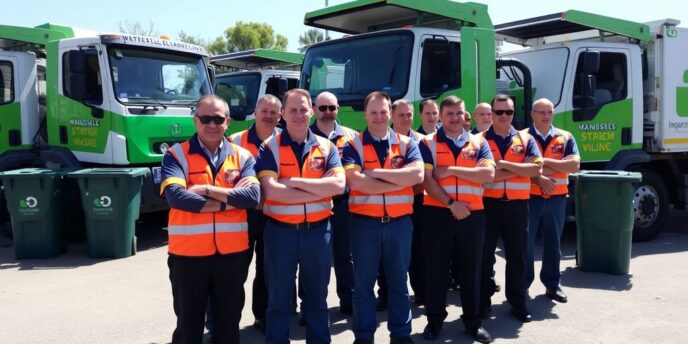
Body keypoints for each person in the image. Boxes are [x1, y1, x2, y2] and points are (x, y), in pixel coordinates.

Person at [160, 95, 260, 344]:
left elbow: (252, 196)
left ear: (227, 122)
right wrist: (229, 201)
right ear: (196, 121)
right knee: (188, 327)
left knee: (228, 326)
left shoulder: (243, 156)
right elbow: (177, 198)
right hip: (188, 257)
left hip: (231, 256)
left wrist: (204, 189)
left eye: (218, 119)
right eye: (206, 119)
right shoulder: (175, 155)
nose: (212, 125)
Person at [256, 88, 345, 344]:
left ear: (312, 111)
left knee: (317, 299)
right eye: (292, 110)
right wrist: (318, 189)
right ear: (282, 114)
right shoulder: (268, 147)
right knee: (279, 300)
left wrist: (293, 182)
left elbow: (338, 186)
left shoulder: (327, 146)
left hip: (318, 232)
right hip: (280, 232)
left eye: (303, 109)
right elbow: (271, 192)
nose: (298, 115)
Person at [342, 91, 424, 344]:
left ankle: (401, 334)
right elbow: (354, 182)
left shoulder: (408, 144)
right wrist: (398, 180)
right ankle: (364, 336)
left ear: (391, 113)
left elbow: (418, 177)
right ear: (365, 114)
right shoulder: (352, 145)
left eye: (383, 112)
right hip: (364, 224)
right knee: (363, 287)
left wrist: (374, 173)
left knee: (399, 284)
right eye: (374, 112)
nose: (379, 117)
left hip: (399, 224)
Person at [419, 95, 496, 343]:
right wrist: (452, 204)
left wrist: (451, 170)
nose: (455, 118)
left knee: (472, 269)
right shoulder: (428, 143)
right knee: (436, 269)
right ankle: (434, 320)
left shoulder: (478, 142)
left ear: (466, 116)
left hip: (472, 215)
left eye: (459, 113)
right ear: (440, 116)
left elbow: (488, 174)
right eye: (449, 113)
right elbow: (427, 181)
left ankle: (473, 322)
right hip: (438, 213)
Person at [479, 94, 542, 324]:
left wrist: (503, 165)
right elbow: (484, 179)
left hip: (517, 205)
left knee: (518, 256)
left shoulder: (526, 140)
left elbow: (535, 170)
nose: (504, 116)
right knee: (484, 257)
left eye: (509, 112)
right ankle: (483, 303)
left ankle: (518, 302)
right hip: (487, 205)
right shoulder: (479, 140)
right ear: (492, 113)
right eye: (499, 112)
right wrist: (520, 168)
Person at [226, 94, 282, 333]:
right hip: (243, 216)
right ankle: (227, 321)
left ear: (280, 116)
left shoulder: (284, 139)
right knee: (235, 270)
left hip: (275, 214)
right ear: (255, 112)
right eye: (265, 111)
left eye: (274, 112)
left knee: (268, 270)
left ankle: (263, 316)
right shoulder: (235, 140)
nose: (269, 116)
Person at [524, 98, 580, 303]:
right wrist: (543, 173)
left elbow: (574, 166)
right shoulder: (522, 137)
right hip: (529, 198)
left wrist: (539, 163)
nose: (546, 116)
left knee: (553, 243)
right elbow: (518, 169)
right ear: (532, 114)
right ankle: (523, 286)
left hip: (557, 199)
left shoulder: (565, 137)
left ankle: (552, 284)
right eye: (541, 112)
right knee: (525, 245)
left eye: (549, 112)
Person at [310, 91, 359, 316]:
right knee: (314, 260)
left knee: (344, 255)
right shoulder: (306, 134)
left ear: (338, 109)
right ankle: (309, 306)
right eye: (322, 108)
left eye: (332, 108)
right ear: (314, 109)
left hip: (343, 204)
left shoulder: (351, 136)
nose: (327, 112)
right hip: (314, 204)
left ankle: (348, 299)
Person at [389, 99, 426, 306]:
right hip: (389, 203)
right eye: (401, 115)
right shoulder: (385, 141)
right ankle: (386, 295)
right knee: (388, 252)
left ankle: (421, 292)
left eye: (409, 115)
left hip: (418, 201)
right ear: (392, 116)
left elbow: (422, 177)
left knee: (418, 250)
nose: (406, 119)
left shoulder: (422, 141)